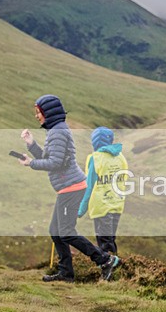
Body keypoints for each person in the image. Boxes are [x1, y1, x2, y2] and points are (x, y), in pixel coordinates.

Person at [18, 95, 123, 282]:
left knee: (65, 231)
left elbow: (55, 162)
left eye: (38, 112)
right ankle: (66, 273)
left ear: (48, 112)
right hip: (67, 189)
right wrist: (32, 145)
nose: (36, 116)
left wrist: (31, 163)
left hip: (72, 188)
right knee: (56, 231)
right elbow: (49, 156)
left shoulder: (58, 132)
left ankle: (105, 259)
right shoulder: (55, 130)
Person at [78, 127, 128, 255]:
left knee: (105, 243)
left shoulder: (95, 159)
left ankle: (110, 269)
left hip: (101, 206)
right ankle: (116, 270)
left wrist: (81, 210)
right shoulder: (120, 157)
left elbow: (89, 186)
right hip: (117, 204)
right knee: (110, 239)